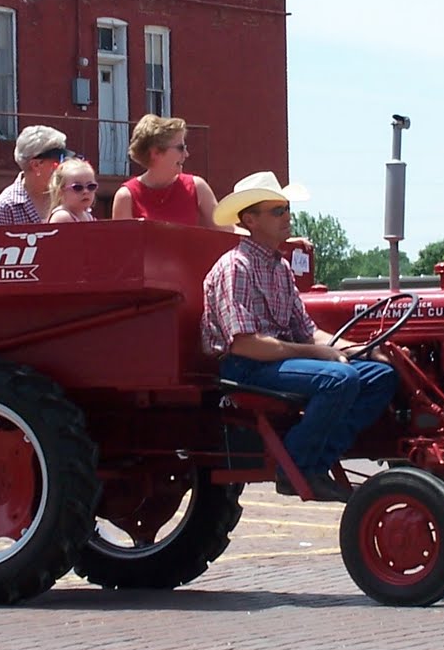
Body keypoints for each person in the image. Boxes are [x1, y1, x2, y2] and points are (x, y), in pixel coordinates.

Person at [200, 171, 396, 503]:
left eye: (287, 209)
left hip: (276, 361)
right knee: (339, 379)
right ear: (250, 219)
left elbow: (309, 332)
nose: (287, 217)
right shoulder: (236, 267)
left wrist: (360, 349)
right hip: (245, 367)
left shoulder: (280, 268)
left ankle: (317, 461)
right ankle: (294, 467)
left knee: (380, 376)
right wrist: (319, 355)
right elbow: (245, 344)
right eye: (277, 211)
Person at [112, 114, 220, 228]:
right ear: (155, 153)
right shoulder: (126, 197)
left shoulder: (197, 187)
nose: (186, 154)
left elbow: (228, 229)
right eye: (180, 148)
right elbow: (122, 244)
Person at [0, 125, 73, 225]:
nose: (63, 165)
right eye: (58, 160)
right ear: (36, 165)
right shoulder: (8, 205)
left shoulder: (70, 193)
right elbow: (3, 240)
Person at [46, 159, 99, 223]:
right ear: (61, 192)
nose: (86, 191)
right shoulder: (62, 217)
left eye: (91, 186)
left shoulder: (87, 216)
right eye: (77, 187)